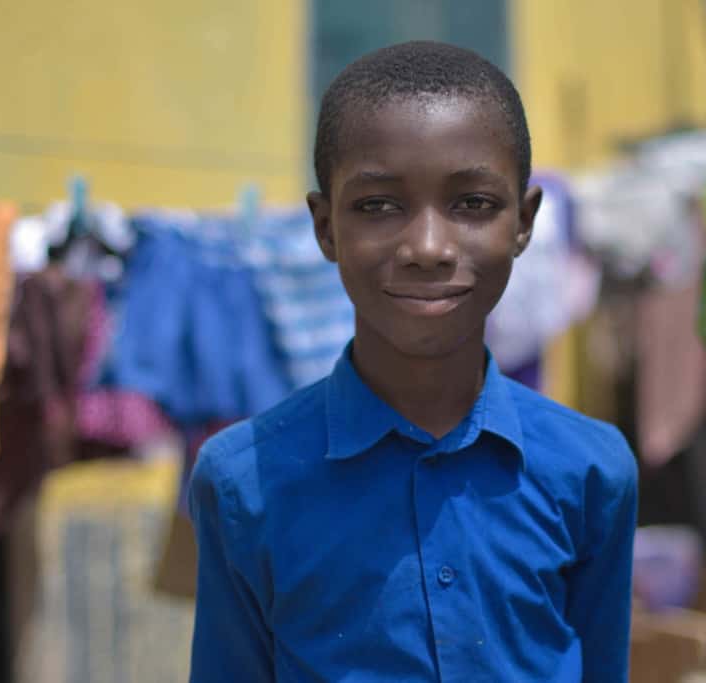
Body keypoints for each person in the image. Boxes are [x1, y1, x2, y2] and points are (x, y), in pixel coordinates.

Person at [188, 40, 638, 682]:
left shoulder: (591, 470)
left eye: (473, 204)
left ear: (525, 222)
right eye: (378, 206)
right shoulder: (244, 480)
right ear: (324, 227)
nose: (428, 246)